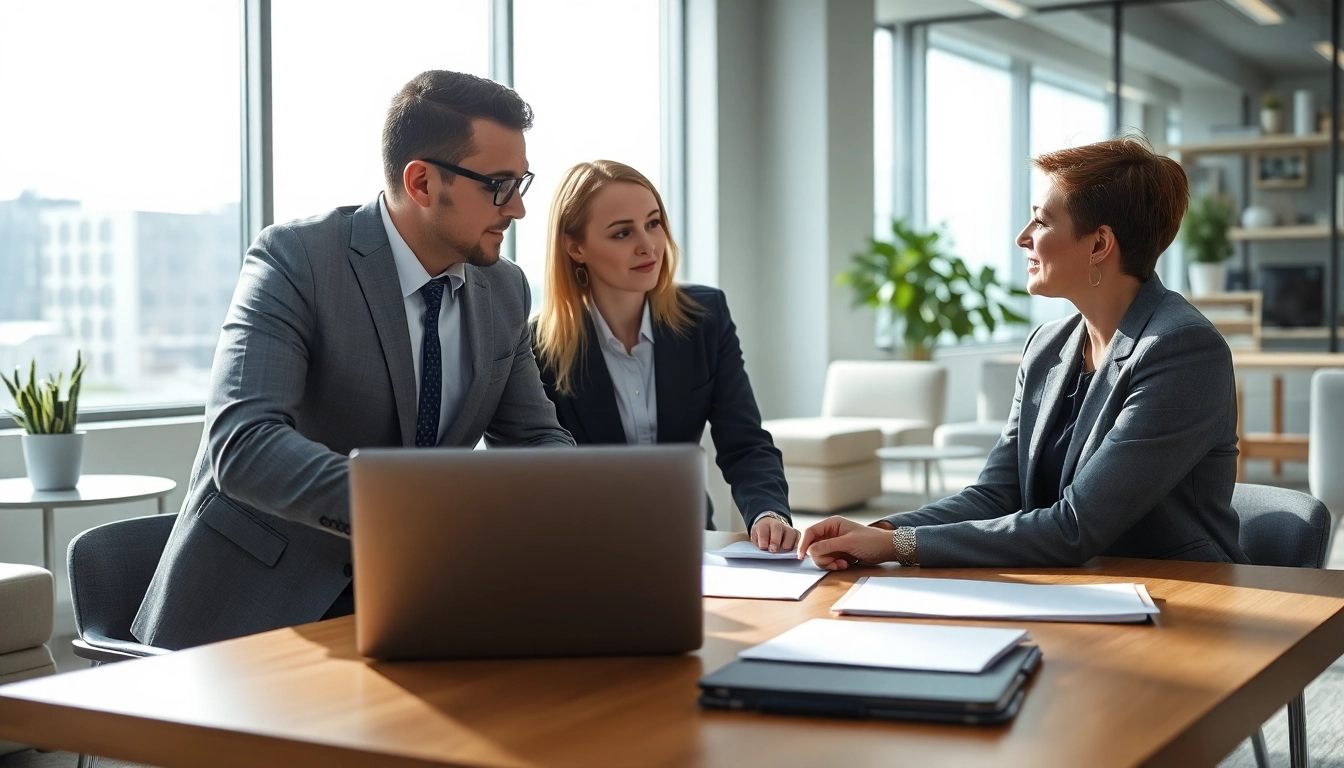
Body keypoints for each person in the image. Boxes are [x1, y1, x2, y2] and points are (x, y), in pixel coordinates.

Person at [132, 71, 574, 650]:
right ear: (420, 181)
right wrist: (412, 509)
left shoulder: (504, 289)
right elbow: (244, 446)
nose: (516, 209)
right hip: (255, 618)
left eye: (521, 184)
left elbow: (537, 440)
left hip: (422, 606)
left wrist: (569, 503)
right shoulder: (297, 258)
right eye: (497, 185)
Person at [800, 137, 1249, 570]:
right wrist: (878, 531)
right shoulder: (1047, 346)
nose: (1023, 237)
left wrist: (895, 546)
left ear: (1098, 244)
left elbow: (1075, 527)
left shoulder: (1182, 350)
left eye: (1042, 221)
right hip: (1069, 589)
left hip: (1179, 597)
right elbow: (997, 494)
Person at [532, 160, 795, 551]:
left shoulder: (706, 316)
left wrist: (768, 514)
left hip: (690, 539)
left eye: (652, 223)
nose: (648, 245)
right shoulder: (536, 348)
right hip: (588, 548)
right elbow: (537, 477)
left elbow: (745, 442)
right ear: (575, 247)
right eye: (622, 233)